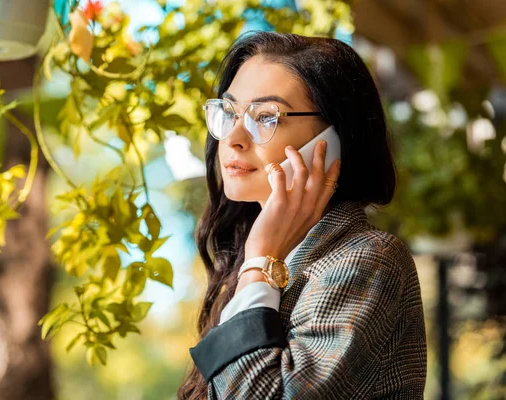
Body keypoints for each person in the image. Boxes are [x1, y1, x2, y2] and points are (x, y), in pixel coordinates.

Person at [177, 31, 427, 400]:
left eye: (265, 116)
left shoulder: (367, 258)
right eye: (228, 112)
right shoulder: (255, 264)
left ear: (333, 138)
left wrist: (260, 258)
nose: (233, 138)